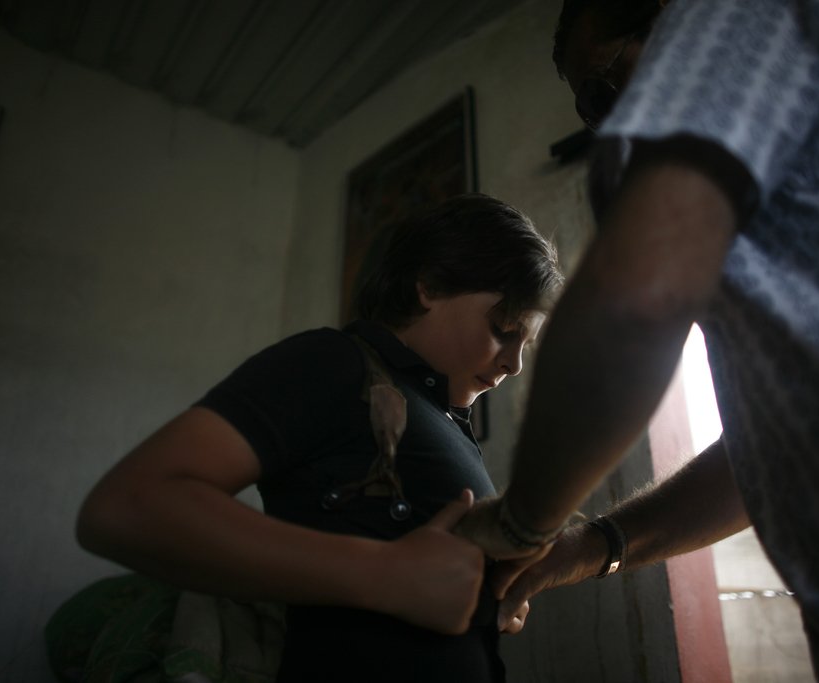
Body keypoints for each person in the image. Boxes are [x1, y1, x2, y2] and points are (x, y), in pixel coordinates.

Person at [456, 1, 819, 681]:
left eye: (599, 93)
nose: (611, 124)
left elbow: (634, 305)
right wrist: (590, 546)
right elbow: (770, 453)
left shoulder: (737, 19)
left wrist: (521, 524)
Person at [77, 192, 564, 682]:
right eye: (503, 328)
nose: (515, 364)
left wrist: (488, 596)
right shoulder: (336, 363)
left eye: (528, 343)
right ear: (430, 286)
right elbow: (129, 505)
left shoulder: (450, 422)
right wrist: (386, 572)